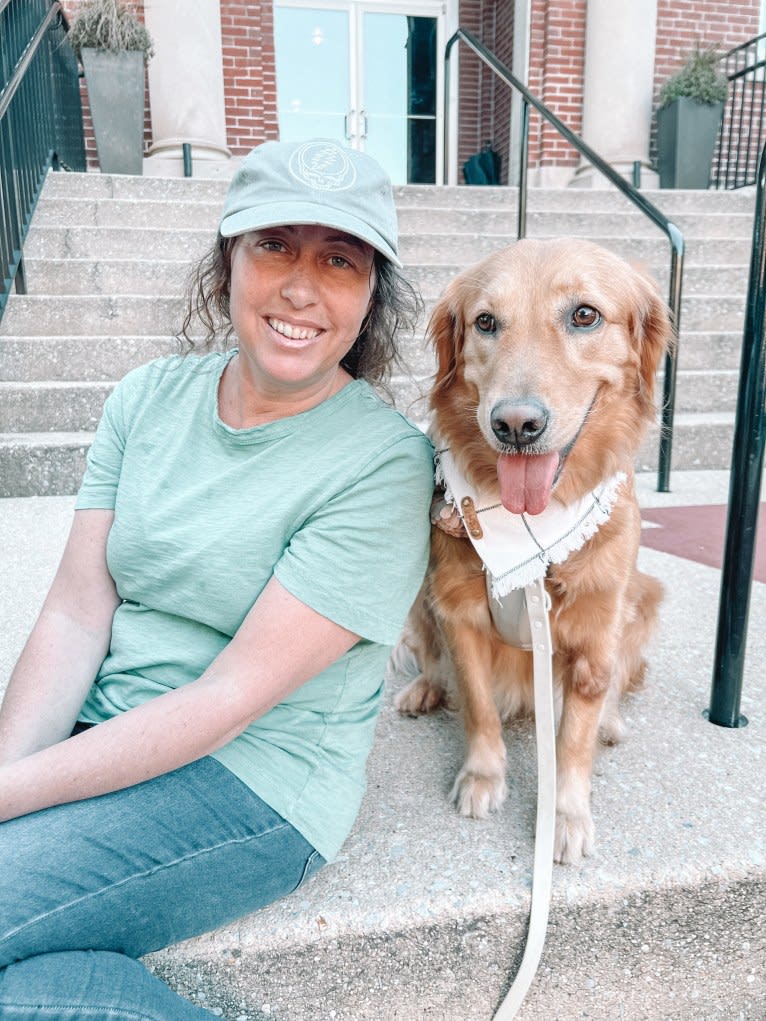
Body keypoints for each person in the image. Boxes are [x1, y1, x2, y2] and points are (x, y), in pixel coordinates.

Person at [0, 138, 434, 1019]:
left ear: (370, 298)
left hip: (255, 783)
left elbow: (228, 699)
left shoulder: (382, 465)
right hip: (112, 729)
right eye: (274, 245)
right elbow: (76, 615)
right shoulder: (147, 397)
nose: (302, 287)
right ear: (227, 258)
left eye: (339, 260)